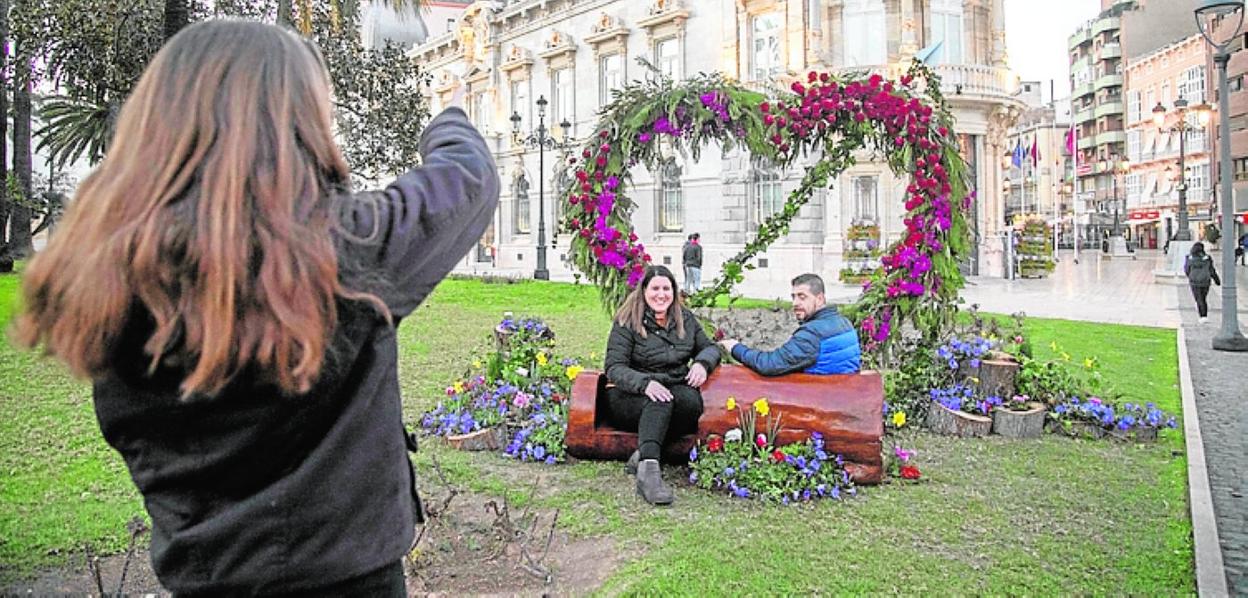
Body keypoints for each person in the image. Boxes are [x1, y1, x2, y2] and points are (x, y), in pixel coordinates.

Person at [12, 21, 499, 594]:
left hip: (207, 579)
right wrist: (452, 113)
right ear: (295, 128)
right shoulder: (337, 253)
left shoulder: (107, 276)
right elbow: (465, 180)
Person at [604, 265, 720, 506]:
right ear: (644, 290)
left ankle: (642, 453)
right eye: (655, 288)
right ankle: (649, 474)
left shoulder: (684, 318)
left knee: (691, 404)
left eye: (666, 288)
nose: (661, 294)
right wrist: (645, 384)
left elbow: (709, 347)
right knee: (660, 402)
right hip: (628, 393)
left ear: (674, 291)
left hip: (672, 386)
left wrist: (702, 363)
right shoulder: (627, 320)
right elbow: (614, 367)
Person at [718, 274, 861, 376]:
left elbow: (769, 365)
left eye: (802, 297)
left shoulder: (812, 334)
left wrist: (735, 348)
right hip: (843, 397)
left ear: (820, 299)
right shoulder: (844, 323)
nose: (795, 303)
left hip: (820, 404)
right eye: (793, 297)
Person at [1184, 242, 1221, 324]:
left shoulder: (1189, 258)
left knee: (1199, 298)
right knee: (1203, 298)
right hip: (1205, 281)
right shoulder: (1207, 258)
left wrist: (1190, 276)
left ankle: (1202, 315)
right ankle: (1203, 315)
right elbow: (1212, 270)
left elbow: (1187, 269)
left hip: (1194, 282)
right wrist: (1217, 280)